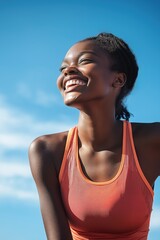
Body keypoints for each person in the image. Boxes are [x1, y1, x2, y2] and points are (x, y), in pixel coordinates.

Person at [28, 33, 160, 240]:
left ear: (118, 79)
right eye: (63, 69)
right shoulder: (46, 151)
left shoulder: (152, 141)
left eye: (85, 61)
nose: (69, 70)